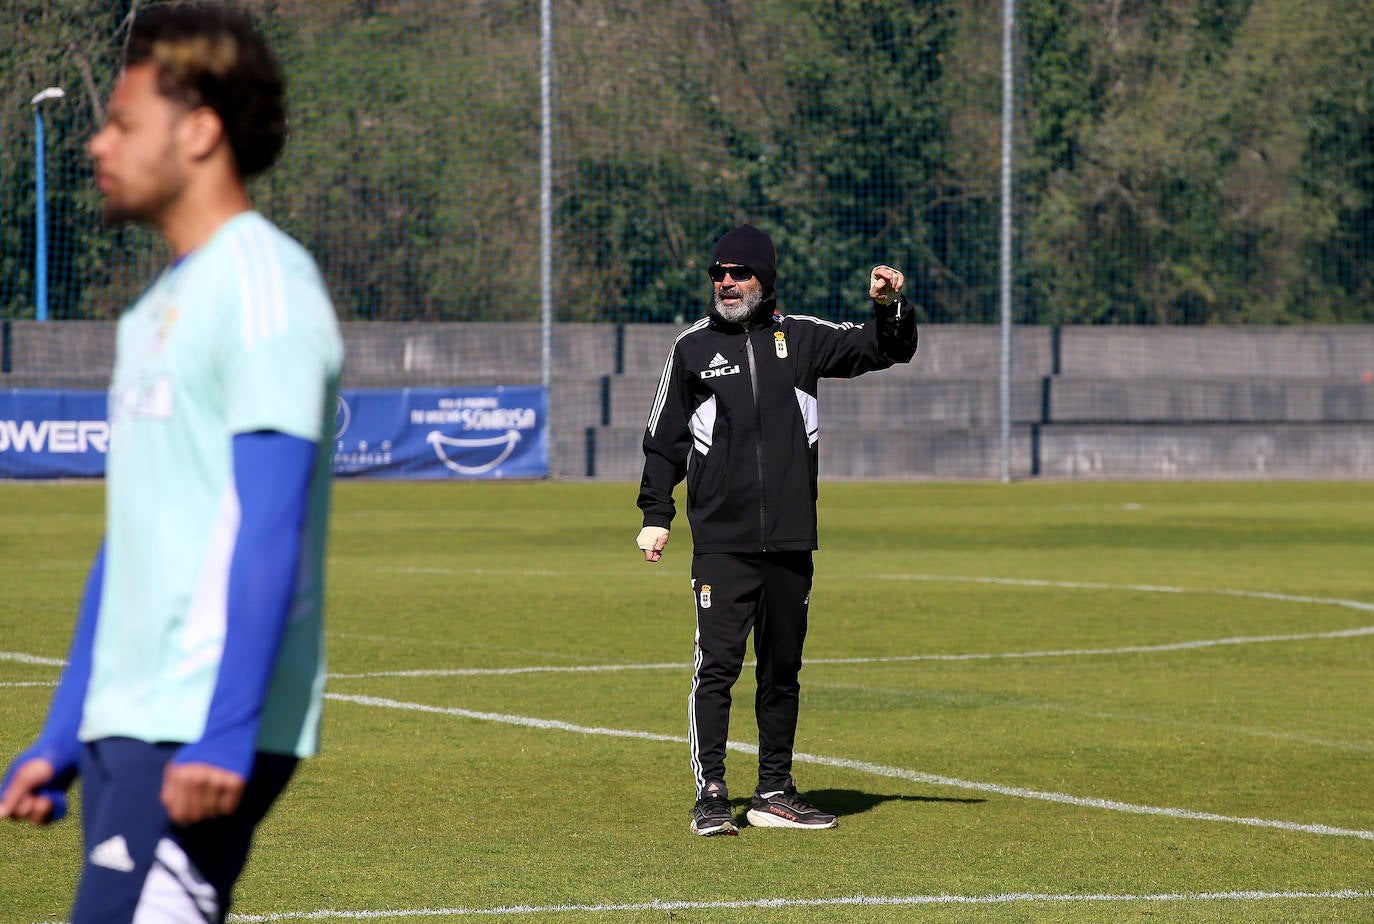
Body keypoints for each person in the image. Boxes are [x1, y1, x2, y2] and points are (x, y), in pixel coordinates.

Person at [0, 4, 344, 921]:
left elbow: (271, 528)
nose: (95, 144)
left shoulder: (264, 288)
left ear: (198, 132)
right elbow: (136, 548)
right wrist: (64, 733)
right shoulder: (156, 307)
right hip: (130, 721)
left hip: (196, 724)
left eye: (121, 122)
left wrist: (226, 734)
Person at [636, 223, 918, 836]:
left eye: (739, 273)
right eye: (718, 273)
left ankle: (773, 791)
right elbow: (664, 442)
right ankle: (711, 792)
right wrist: (656, 515)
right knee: (717, 667)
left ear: (765, 278)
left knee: (781, 669)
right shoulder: (691, 349)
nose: (727, 283)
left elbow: (885, 348)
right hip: (722, 542)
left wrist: (890, 305)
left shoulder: (806, 339)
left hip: (791, 539)